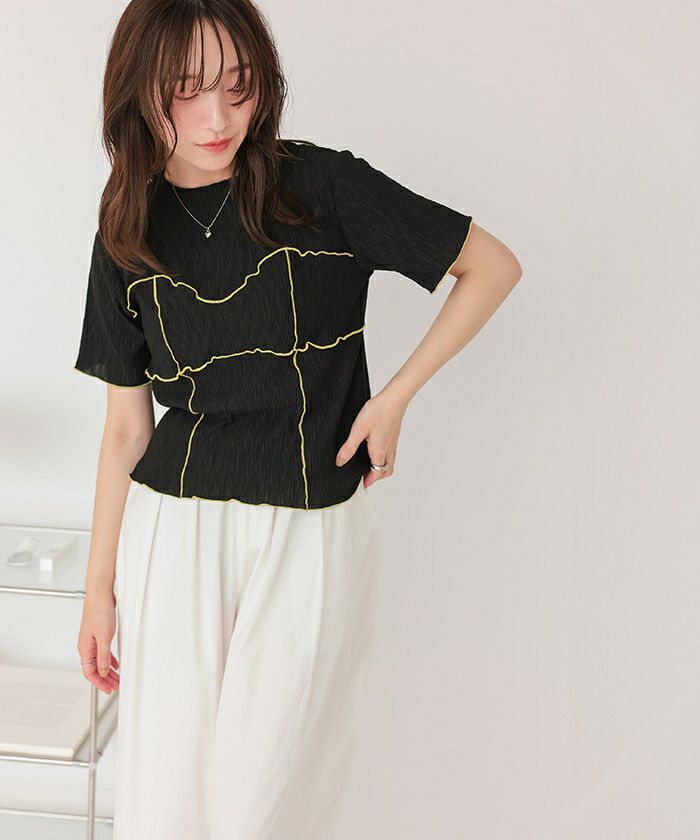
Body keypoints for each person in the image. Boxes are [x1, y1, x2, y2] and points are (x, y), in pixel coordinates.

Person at [74, 1, 522, 838]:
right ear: (138, 91)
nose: (218, 119)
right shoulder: (126, 226)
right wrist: (98, 592)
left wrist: (393, 397)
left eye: (239, 87)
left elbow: (491, 266)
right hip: (173, 529)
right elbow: (127, 430)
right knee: (165, 797)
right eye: (186, 91)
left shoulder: (321, 188)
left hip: (311, 521)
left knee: (266, 799)